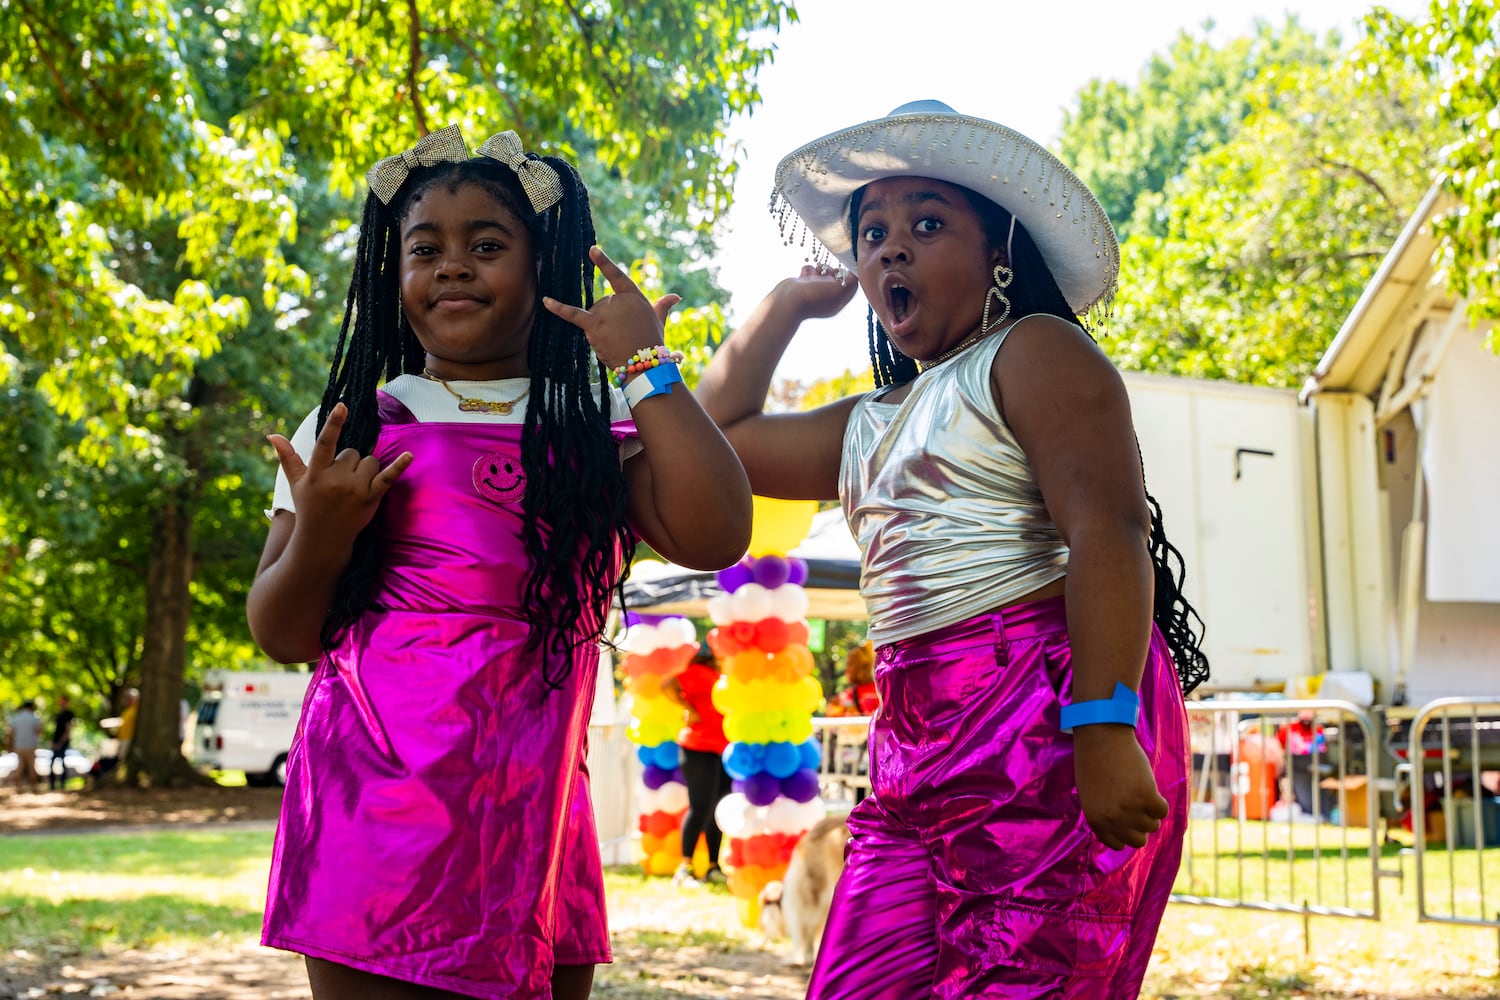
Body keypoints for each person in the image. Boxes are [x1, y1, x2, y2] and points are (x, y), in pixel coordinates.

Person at [696, 100, 1209, 997]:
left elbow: (1107, 531)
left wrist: (1103, 722)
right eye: (872, 233)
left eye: (927, 223)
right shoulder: (868, 422)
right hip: (914, 743)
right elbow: (714, 441)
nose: (890, 248)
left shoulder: (1035, 352)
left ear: (1000, 251)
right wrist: (783, 306)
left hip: (1043, 717)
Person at [245, 125, 752, 1000]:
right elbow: (281, 631)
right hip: (372, 810)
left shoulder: (594, 440)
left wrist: (644, 366)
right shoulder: (353, 430)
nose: (451, 266)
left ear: (546, 270)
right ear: (389, 273)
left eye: (486, 245)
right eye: (425, 249)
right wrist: (324, 529)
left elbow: (718, 534)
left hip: (536, 810)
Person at [665, 648, 731, 887]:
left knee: (717, 809)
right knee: (700, 807)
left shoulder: (720, 675)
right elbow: (668, 684)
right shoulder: (698, 672)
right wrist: (688, 708)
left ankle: (714, 866)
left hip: (721, 749)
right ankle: (684, 868)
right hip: (698, 746)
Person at [6, 700, 41, 793]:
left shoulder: (16, 717)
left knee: (20, 767)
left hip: (19, 745)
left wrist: (9, 745)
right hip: (31, 745)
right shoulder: (34, 718)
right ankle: (34, 788)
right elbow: (39, 731)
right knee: (31, 766)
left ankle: (18, 788)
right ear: (31, 707)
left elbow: (10, 733)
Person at [48, 695, 75, 791]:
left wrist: (60, 742)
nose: (61, 703)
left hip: (62, 742)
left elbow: (68, 730)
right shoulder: (59, 714)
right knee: (52, 763)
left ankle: (62, 785)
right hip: (56, 742)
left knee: (62, 763)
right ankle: (52, 785)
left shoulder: (68, 714)